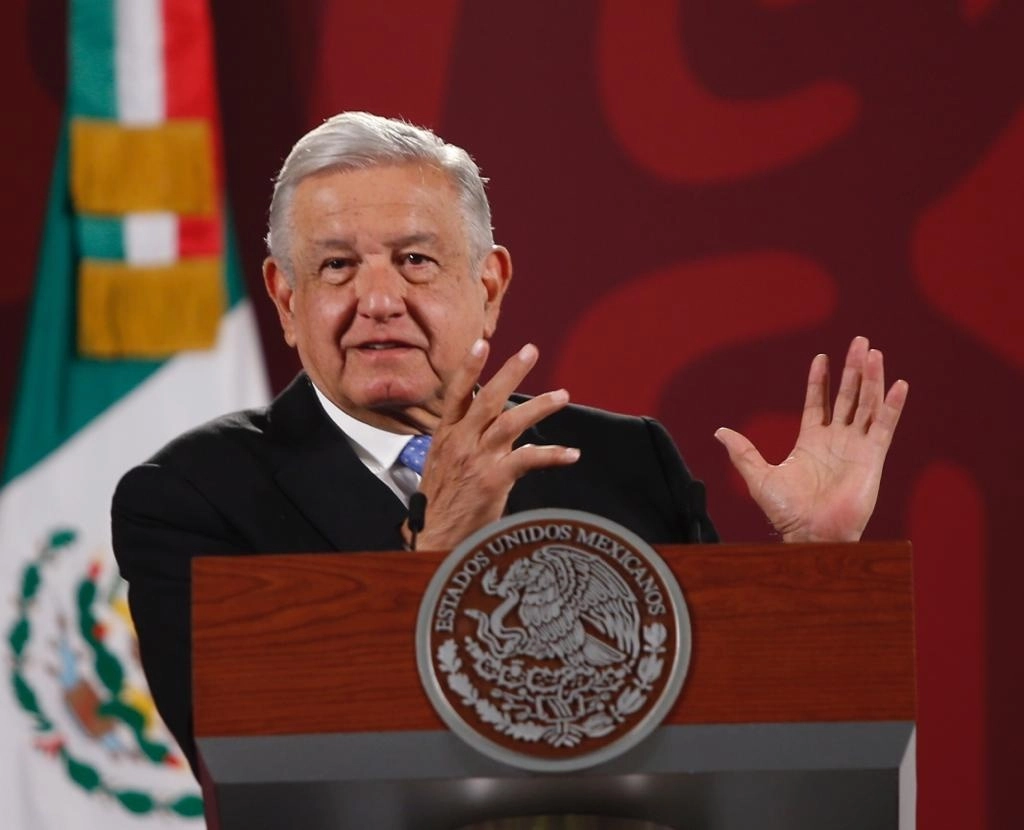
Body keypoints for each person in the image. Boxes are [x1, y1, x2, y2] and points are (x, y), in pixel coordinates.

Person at [111, 112, 908, 774]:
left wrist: (815, 561)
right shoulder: (191, 497)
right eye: (337, 266)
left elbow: (727, 731)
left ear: (488, 288)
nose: (378, 298)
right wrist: (438, 553)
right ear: (287, 299)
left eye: (415, 260)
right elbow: (242, 757)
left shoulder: (626, 463)